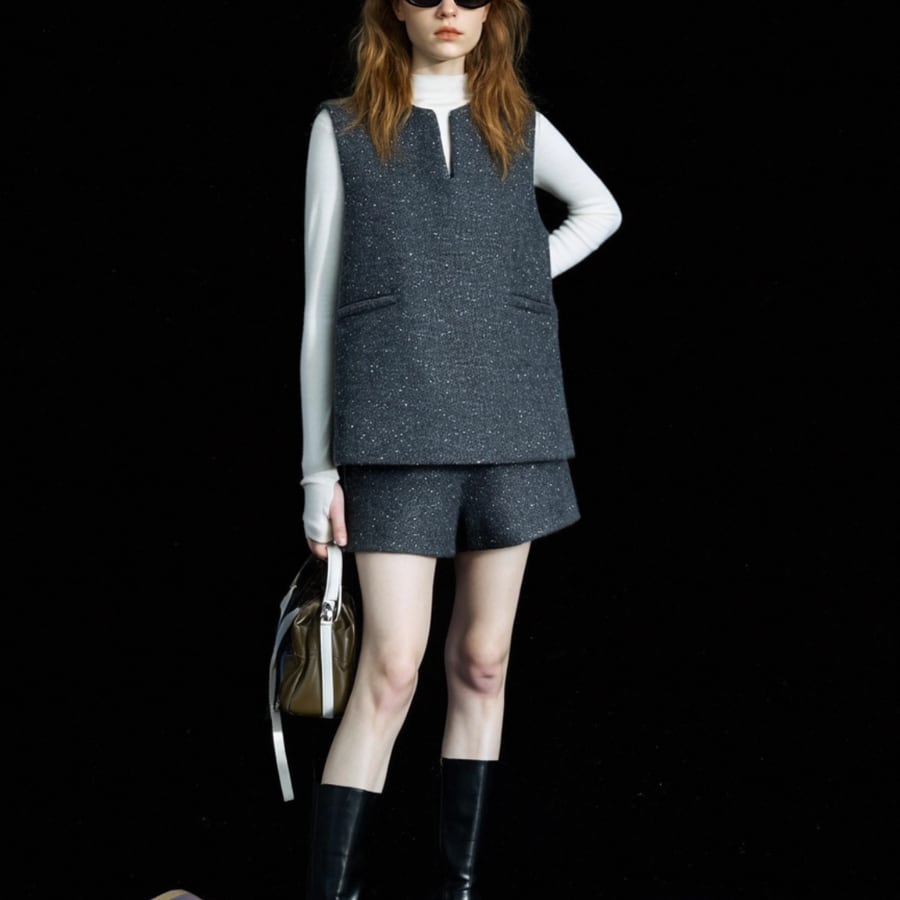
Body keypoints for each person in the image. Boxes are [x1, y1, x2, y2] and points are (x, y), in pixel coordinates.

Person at [298, 1, 622, 897]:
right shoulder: (343, 128)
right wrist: (316, 470)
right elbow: (319, 308)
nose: (449, 7)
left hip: (512, 417)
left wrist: (504, 279)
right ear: (392, 9)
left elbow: (600, 209)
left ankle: (459, 890)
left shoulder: (515, 120)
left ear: (493, 13)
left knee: (483, 662)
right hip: (392, 429)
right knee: (391, 669)